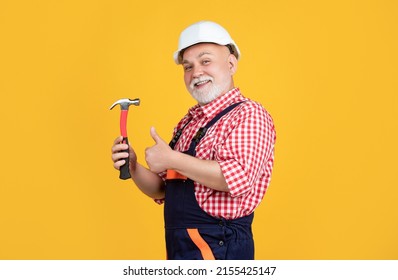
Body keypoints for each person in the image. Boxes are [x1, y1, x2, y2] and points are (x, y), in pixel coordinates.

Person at [111, 21, 276, 260]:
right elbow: (162, 189)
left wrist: (172, 158)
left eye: (205, 61)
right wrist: (134, 166)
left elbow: (237, 178)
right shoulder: (188, 123)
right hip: (180, 246)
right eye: (188, 67)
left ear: (231, 64)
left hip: (220, 248)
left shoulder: (249, 114)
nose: (196, 72)